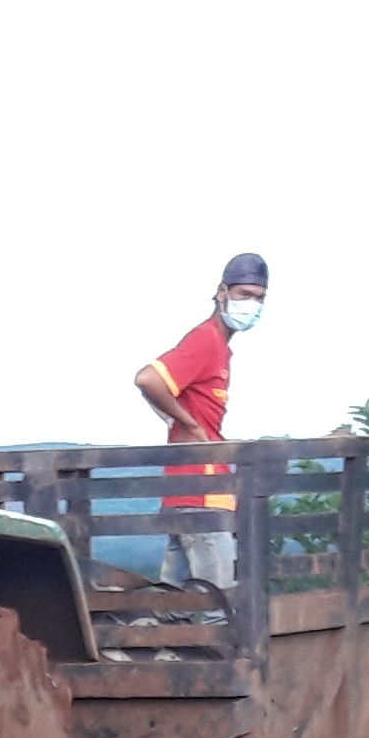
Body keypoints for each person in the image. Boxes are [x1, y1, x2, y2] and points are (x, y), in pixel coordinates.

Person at [133, 253, 267, 592]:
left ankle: (156, 644)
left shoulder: (219, 347)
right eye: (244, 295)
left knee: (175, 605)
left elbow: (160, 388)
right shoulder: (206, 339)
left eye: (259, 298)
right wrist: (187, 424)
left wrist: (174, 417)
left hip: (192, 491)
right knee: (219, 604)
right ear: (222, 292)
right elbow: (148, 379)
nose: (252, 304)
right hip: (200, 491)